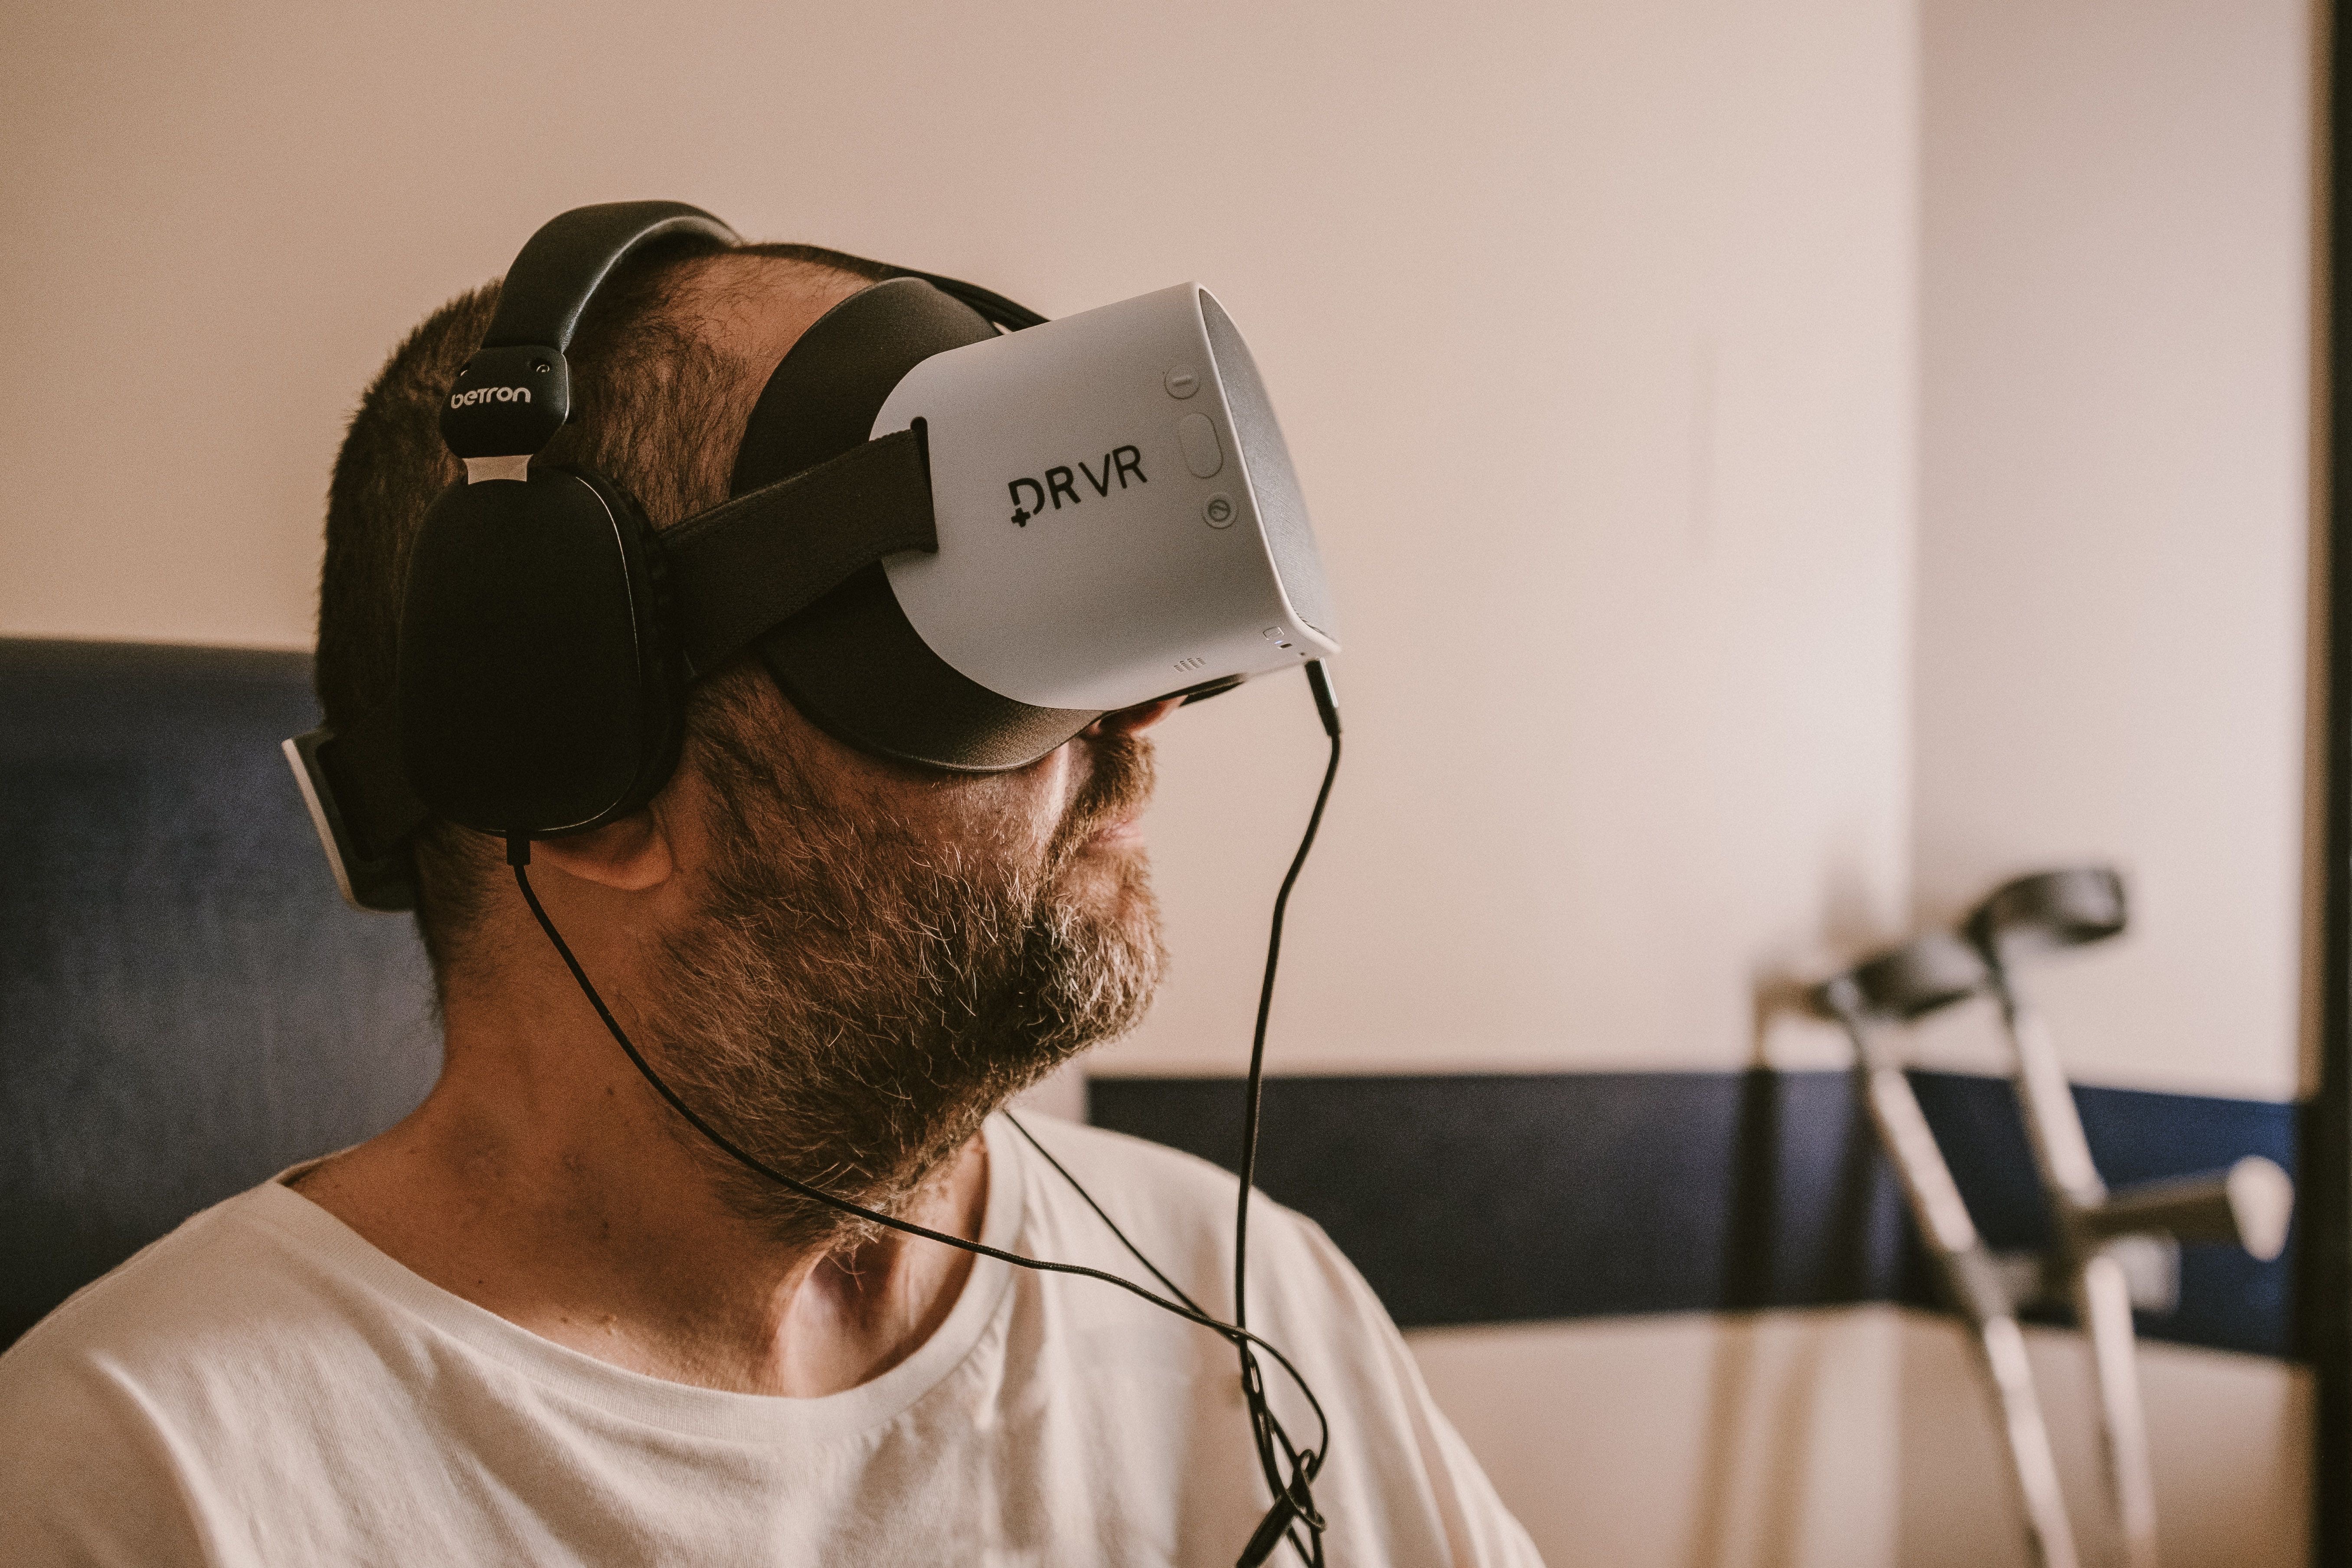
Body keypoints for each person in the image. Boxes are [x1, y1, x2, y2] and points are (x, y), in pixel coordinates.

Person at [0, 236, 1541, 1566]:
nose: (1140, 718)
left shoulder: (1244, 1297)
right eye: (959, 630)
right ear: (585, 776)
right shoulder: (150, 1484)